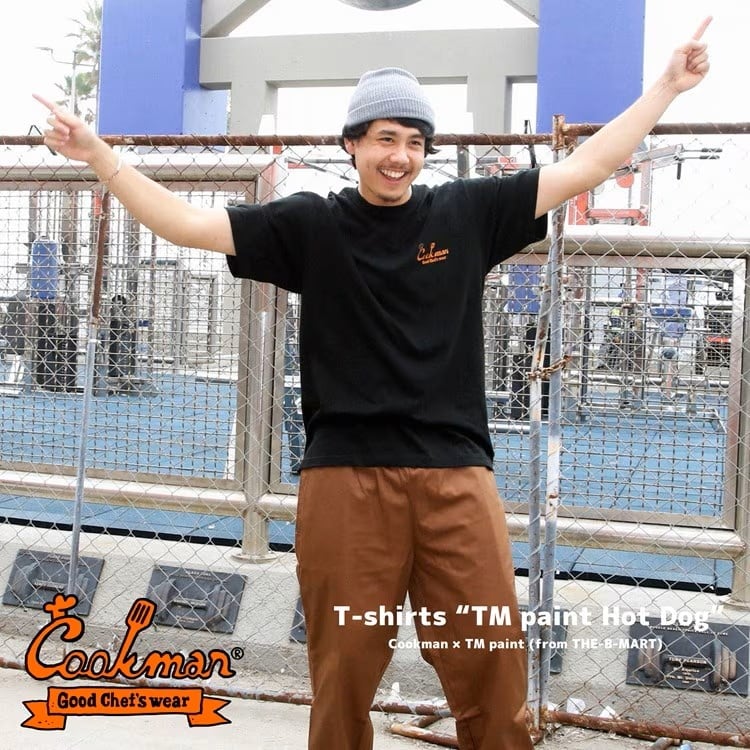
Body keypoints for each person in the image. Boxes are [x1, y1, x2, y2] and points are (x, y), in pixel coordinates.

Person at [35, 18, 711, 750]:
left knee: (493, 672)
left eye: (415, 141)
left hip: (456, 477)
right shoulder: (310, 225)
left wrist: (667, 87)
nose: (401, 156)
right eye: (386, 138)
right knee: (344, 678)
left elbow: (589, 166)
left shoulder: (467, 212)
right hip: (346, 481)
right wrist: (99, 155)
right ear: (352, 143)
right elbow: (187, 225)